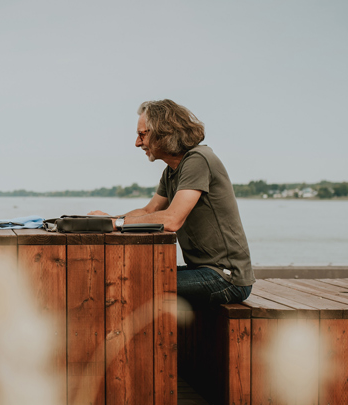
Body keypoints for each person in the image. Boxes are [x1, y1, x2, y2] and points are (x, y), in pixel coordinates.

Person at [92, 100, 254, 305]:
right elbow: (148, 210)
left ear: (164, 132)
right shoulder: (171, 171)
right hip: (203, 270)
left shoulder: (198, 160)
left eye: (142, 134)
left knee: (134, 283)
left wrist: (116, 224)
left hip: (227, 278)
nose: (137, 142)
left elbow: (172, 219)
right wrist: (107, 220)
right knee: (127, 276)